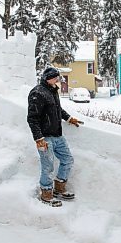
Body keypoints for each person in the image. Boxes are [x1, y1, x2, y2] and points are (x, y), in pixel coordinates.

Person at [27, 66, 81, 207]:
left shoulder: (52, 91)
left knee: (67, 160)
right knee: (48, 166)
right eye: (55, 77)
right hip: (45, 138)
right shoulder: (37, 93)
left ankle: (59, 188)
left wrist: (69, 118)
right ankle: (46, 193)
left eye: (58, 77)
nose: (57, 80)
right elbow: (32, 118)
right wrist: (39, 139)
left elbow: (58, 109)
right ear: (47, 78)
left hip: (57, 135)